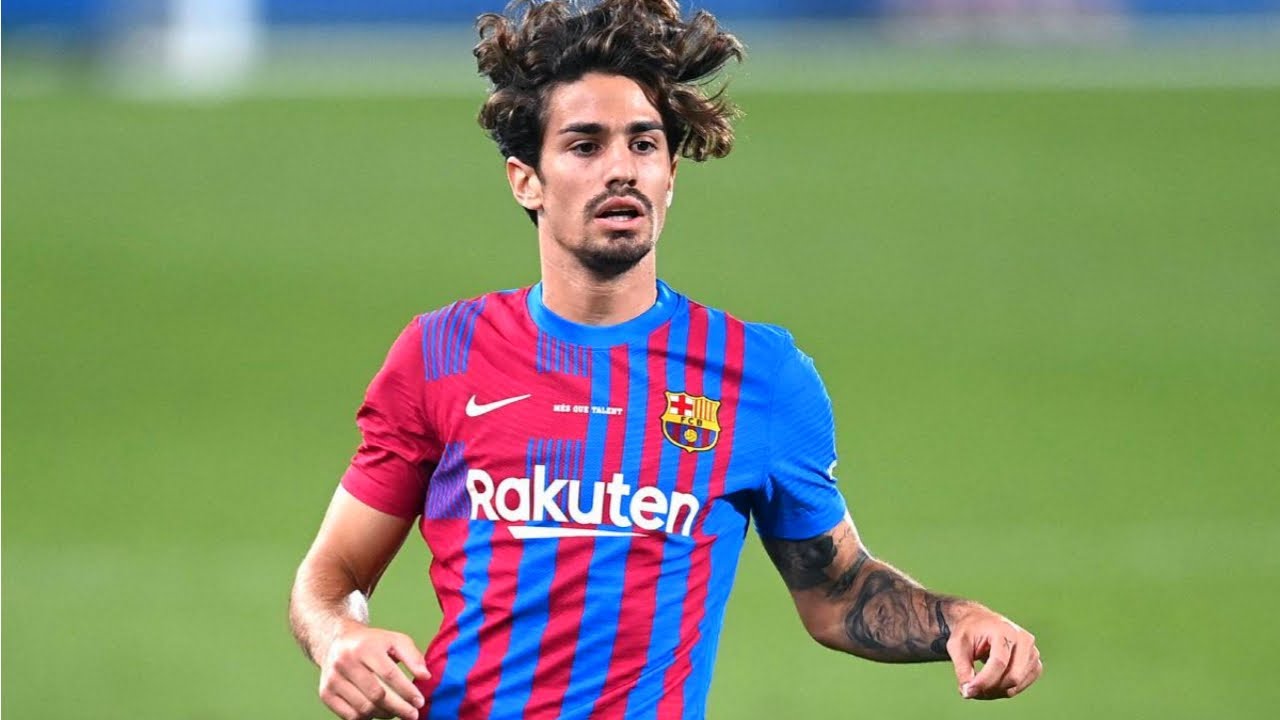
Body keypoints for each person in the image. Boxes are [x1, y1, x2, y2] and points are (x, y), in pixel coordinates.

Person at [288, 1, 1043, 719]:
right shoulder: (442, 353)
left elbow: (838, 592)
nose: (621, 168)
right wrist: (339, 636)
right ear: (526, 179)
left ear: (670, 176)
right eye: (585, 145)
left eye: (643, 144)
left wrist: (958, 620)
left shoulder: (758, 376)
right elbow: (332, 574)